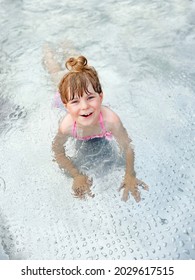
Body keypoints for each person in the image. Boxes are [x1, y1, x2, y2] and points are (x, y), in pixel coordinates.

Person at [43, 45, 148, 202]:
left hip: (75, 94)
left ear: (101, 96)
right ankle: (48, 52)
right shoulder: (66, 126)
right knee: (55, 76)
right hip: (63, 96)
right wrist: (76, 175)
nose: (84, 106)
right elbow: (57, 151)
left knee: (77, 66)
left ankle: (68, 46)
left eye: (90, 98)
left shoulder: (110, 120)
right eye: (75, 102)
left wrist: (130, 174)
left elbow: (127, 146)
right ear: (67, 106)